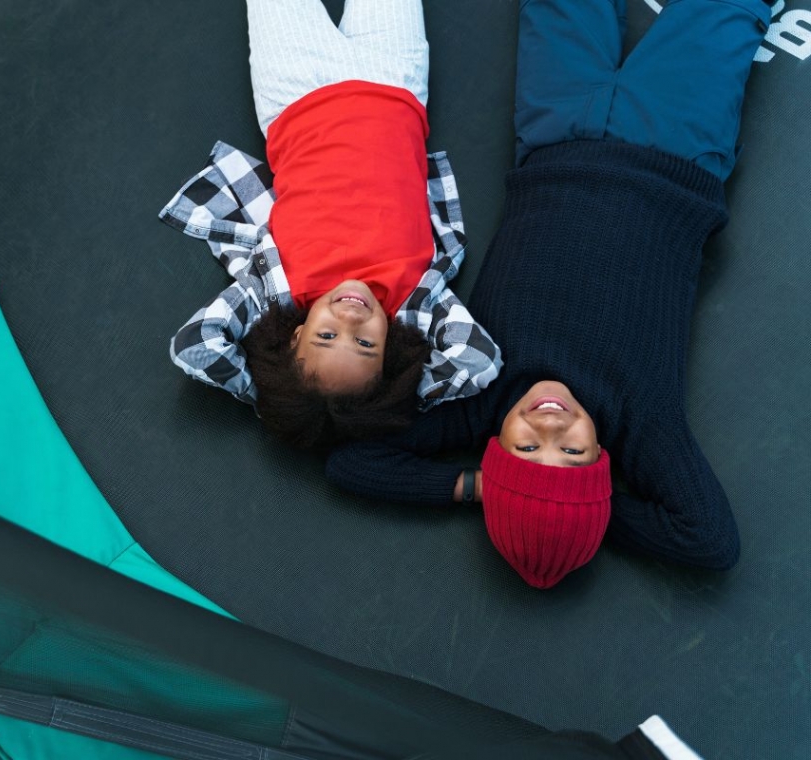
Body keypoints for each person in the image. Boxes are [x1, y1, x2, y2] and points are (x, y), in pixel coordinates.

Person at [327, 0, 774, 587]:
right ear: (601, 468)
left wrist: (472, 488)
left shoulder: (477, 399)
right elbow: (710, 540)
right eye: (572, 456)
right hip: (676, 142)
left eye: (525, 452)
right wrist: (583, 510)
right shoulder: (642, 424)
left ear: (494, 455)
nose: (550, 430)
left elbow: (349, 462)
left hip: (557, 128)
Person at [160, 0, 502, 449]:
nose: (351, 318)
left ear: (297, 335)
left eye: (325, 335)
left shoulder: (275, 289)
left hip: (295, 87)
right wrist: (391, 400)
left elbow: (195, 345)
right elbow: (479, 362)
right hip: (395, 78)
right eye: (366, 345)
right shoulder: (414, 300)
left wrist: (281, 396)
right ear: (391, 354)